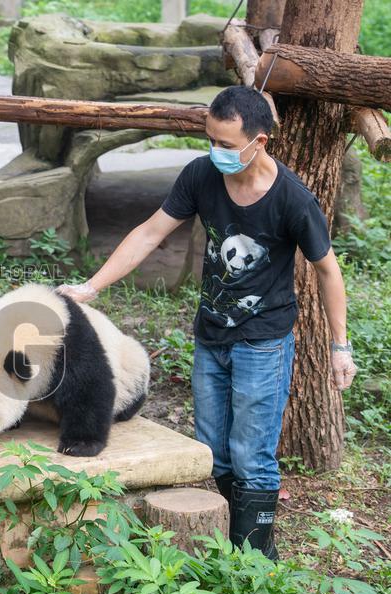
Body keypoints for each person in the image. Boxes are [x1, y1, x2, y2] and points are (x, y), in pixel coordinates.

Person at [58, 86, 357, 559]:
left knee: (251, 454)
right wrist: (90, 287)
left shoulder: (293, 199)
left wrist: (341, 347)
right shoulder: (201, 175)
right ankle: (227, 548)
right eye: (211, 139)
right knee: (212, 450)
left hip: (263, 342)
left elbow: (328, 271)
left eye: (225, 144)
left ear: (259, 142)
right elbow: (150, 233)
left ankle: (256, 560)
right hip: (211, 334)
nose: (215, 151)